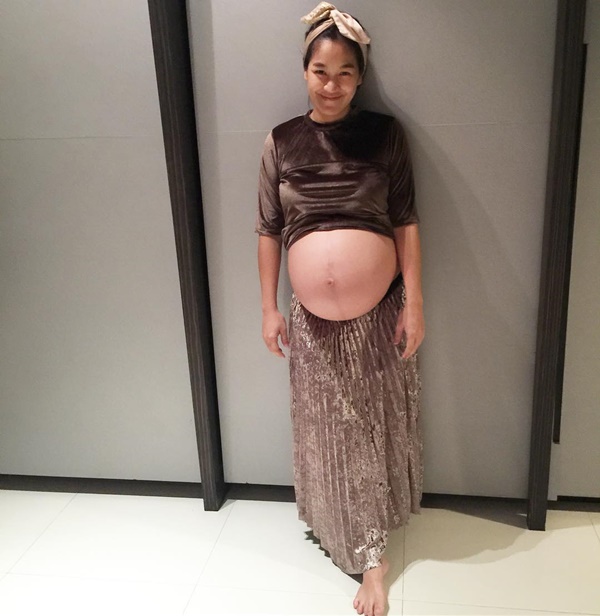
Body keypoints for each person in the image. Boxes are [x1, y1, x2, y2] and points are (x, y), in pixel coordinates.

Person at [256, 3, 424, 615]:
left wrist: (415, 301)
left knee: (367, 427)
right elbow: (268, 230)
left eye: (345, 73)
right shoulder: (281, 141)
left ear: (360, 77)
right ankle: (337, 525)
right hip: (311, 320)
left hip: (378, 314)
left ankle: (373, 560)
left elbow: (405, 220)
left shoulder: (385, 134)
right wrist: (269, 308)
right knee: (328, 428)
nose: (331, 84)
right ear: (305, 71)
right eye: (320, 71)